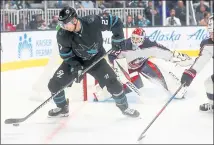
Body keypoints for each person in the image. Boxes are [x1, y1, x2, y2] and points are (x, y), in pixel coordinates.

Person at [47, 6, 140, 118]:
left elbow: (116, 21)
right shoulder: (62, 34)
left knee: (114, 85)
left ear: (74, 20)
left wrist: (118, 39)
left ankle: (125, 108)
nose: (63, 27)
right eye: (61, 24)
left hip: (96, 59)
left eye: (65, 23)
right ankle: (62, 108)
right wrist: (76, 66)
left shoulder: (92, 21)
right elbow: (65, 55)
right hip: (76, 61)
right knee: (54, 85)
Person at [106, 27, 193, 98]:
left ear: (143, 39)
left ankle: (176, 89)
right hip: (127, 69)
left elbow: (163, 52)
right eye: (134, 38)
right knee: (138, 85)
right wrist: (117, 67)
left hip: (142, 65)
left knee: (160, 77)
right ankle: (112, 92)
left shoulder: (150, 44)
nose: (135, 41)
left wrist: (175, 57)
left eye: (138, 39)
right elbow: (111, 56)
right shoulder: (124, 45)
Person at [181, 15, 214, 112]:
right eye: (211, 33)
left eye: (214, 33)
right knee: (209, 83)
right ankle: (213, 105)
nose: (211, 36)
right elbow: (201, 61)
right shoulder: (208, 44)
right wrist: (190, 73)